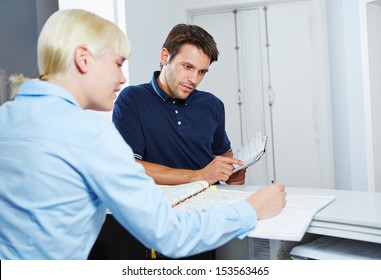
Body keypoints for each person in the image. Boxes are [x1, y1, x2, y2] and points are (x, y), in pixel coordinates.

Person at [0, 9, 286, 260]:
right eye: (117, 63)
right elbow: (168, 233)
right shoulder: (89, 134)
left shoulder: (6, 118)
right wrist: (253, 209)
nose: (122, 78)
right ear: (84, 59)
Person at [112, 23, 247, 186]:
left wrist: (231, 173)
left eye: (202, 72)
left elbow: (224, 154)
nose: (194, 79)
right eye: (188, 67)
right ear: (165, 57)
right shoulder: (133, 99)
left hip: (212, 202)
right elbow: (129, 166)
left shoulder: (212, 104)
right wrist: (200, 176)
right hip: (163, 205)